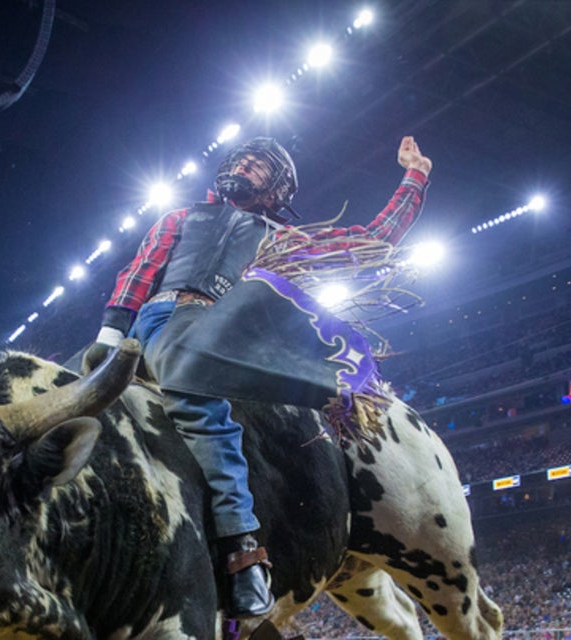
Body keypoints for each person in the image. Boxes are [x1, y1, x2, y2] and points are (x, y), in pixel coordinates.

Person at [86, 135, 432, 617]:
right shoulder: (178, 217)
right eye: (242, 160)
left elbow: (370, 242)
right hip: (155, 319)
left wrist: (415, 175)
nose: (246, 166)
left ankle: (241, 544)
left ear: (277, 191)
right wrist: (109, 332)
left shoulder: (282, 240)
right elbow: (140, 271)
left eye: (259, 166)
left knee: (196, 402)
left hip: (216, 329)